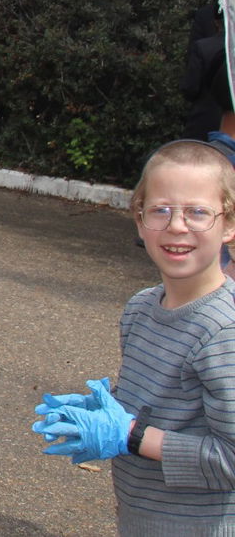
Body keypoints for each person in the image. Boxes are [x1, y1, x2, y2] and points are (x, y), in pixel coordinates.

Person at [32, 139, 235, 535]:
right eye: (161, 210)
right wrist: (102, 413)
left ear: (229, 225)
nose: (177, 225)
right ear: (139, 220)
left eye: (198, 212)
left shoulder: (225, 332)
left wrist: (129, 434)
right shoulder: (141, 308)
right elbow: (153, 408)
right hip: (139, 517)